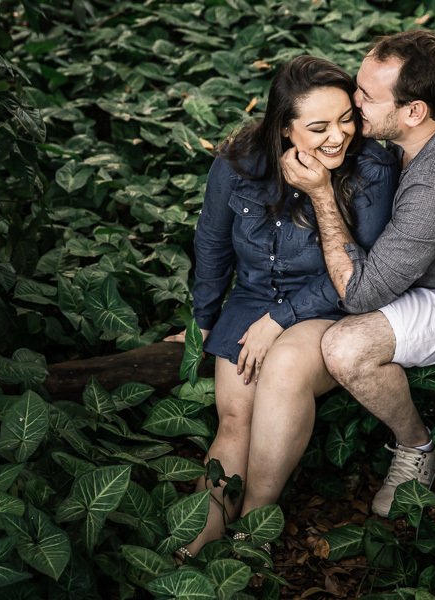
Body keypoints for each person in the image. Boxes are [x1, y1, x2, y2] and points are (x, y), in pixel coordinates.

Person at [281, 30, 435, 518]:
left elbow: (359, 294)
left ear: (413, 110)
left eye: (366, 97)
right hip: (433, 268)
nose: (353, 104)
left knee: (344, 347)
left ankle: (418, 445)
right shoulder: (431, 117)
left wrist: (321, 195)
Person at [165, 55, 398, 567]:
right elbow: (212, 244)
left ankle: (255, 521)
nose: (338, 137)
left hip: (329, 302)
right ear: (283, 127)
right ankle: (202, 535)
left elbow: (359, 276)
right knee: (234, 416)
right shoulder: (238, 160)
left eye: (346, 119)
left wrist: (281, 318)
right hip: (249, 300)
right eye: (318, 127)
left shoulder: (373, 166)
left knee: (282, 372)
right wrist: (202, 320)